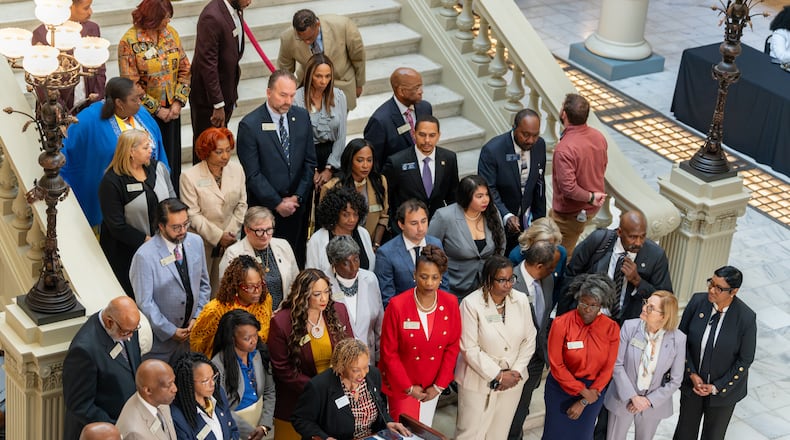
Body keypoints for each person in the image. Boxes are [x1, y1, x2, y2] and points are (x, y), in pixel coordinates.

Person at [61, 76, 168, 228]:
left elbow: (158, 146)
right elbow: (66, 149)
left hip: (148, 190)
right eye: (134, 99)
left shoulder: (141, 114)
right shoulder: (87, 120)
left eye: (139, 98)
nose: (139, 102)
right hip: (116, 196)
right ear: (119, 103)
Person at [237, 70, 317, 267]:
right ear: (268, 92)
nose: (288, 101)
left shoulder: (302, 117)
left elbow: (309, 162)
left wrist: (297, 197)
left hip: (297, 209)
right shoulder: (250, 125)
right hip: (265, 212)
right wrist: (278, 203)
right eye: (283, 95)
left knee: (295, 260)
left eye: (292, 95)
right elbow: (253, 174)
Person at [455, 255, 537, 440]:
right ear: (488, 280)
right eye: (502, 280)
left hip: (513, 381)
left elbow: (530, 338)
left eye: (511, 279)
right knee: (470, 433)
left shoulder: (521, 299)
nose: (508, 285)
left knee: (498, 433)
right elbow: (469, 348)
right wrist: (498, 375)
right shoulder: (471, 303)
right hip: (478, 379)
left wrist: (514, 372)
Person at [267, 269, 354, 439]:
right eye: (317, 294)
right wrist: (319, 389)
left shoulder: (339, 310)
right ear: (303, 294)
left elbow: (350, 350)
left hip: (334, 399)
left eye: (327, 292)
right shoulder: (282, 322)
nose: (324, 298)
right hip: (297, 402)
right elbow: (283, 369)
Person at [379, 245, 461, 426]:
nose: (429, 283)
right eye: (424, 277)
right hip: (403, 387)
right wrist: (408, 388)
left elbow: (452, 346)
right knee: (404, 434)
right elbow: (389, 352)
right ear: (414, 274)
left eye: (435, 278)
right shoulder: (397, 305)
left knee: (425, 429)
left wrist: (439, 385)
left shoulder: (450, 303)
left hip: (432, 387)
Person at [673, 266, 756, 440]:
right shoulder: (697, 302)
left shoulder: (746, 318)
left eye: (719, 288)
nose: (711, 290)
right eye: (711, 283)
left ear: (734, 291)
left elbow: (745, 359)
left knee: (714, 436)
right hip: (692, 387)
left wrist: (716, 387)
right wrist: (692, 373)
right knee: (684, 433)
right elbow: (681, 341)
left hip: (724, 392)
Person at [118, 0, 191, 192]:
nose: (168, 21)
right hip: (146, 114)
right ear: (152, 18)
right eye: (165, 17)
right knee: (149, 159)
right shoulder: (129, 41)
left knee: (172, 160)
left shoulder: (171, 34)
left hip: (172, 112)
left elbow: (185, 69)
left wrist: (177, 102)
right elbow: (131, 84)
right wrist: (157, 110)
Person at [130, 198, 211, 362]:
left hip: (191, 338)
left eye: (185, 224)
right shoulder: (144, 256)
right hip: (160, 346)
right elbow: (145, 302)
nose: (182, 231)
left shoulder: (196, 242)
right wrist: (170, 331)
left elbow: (203, 285)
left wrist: (197, 316)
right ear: (161, 226)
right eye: (176, 227)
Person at [99, 129, 175, 298]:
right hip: (126, 254)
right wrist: (149, 242)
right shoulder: (111, 182)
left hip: (163, 247)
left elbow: (172, 201)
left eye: (150, 146)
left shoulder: (159, 168)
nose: (151, 150)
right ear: (131, 152)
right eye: (146, 147)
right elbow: (116, 226)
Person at [542, 273, 620, 440]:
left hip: (593, 392)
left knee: (582, 436)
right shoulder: (561, 323)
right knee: (554, 435)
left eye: (593, 305)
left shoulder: (611, 328)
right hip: (560, 389)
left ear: (601, 305)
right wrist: (582, 391)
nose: (587, 309)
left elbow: (608, 367)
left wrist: (586, 398)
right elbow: (556, 365)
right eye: (583, 302)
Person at [559, 211, 673, 323]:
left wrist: (638, 281)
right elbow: (570, 276)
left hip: (625, 326)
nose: (638, 243)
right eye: (633, 237)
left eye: (642, 236)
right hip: (589, 318)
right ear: (619, 232)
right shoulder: (598, 240)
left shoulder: (656, 255)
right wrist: (561, 320)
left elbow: (666, 300)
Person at [603, 291, 685, 440]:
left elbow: (676, 380)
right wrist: (633, 397)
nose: (644, 307)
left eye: (651, 307)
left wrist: (647, 401)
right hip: (623, 398)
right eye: (646, 303)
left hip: (653, 404)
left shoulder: (678, 339)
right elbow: (617, 364)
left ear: (664, 316)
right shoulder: (629, 327)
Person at [292, 338, 411, 440]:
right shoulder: (319, 386)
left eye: (365, 367)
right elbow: (300, 419)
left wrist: (388, 422)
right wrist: (324, 438)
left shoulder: (374, 374)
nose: (363, 374)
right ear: (341, 367)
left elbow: (381, 406)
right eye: (356, 370)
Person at [63, 296, 142, 440]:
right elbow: (80, 405)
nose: (131, 336)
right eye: (126, 332)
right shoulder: (83, 350)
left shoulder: (127, 326)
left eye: (134, 330)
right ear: (109, 322)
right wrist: (115, 428)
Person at [180, 127, 247, 293]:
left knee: (226, 289)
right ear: (206, 152)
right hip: (203, 244)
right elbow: (192, 213)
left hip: (230, 242)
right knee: (201, 291)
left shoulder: (237, 169)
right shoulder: (189, 177)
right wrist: (218, 236)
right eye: (219, 152)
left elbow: (242, 204)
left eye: (228, 150)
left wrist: (230, 234)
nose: (225, 156)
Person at [508, 240, 559, 440]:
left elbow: (544, 318)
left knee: (521, 410)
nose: (555, 271)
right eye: (552, 267)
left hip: (536, 359)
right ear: (539, 266)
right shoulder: (508, 280)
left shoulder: (547, 280)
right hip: (513, 360)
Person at [189, 0, 252, 162]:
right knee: (206, 147)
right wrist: (218, 104)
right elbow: (207, 65)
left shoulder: (236, 8)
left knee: (219, 146)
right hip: (209, 101)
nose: (250, 2)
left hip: (227, 92)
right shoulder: (211, 17)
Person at [479, 108, 547, 252]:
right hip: (498, 223)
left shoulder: (540, 145)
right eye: (525, 135)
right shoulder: (492, 150)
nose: (531, 140)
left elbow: (539, 183)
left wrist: (540, 221)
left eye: (535, 135)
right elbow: (488, 188)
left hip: (527, 223)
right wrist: (506, 215)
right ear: (514, 128)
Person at [428, 175, 506, 300]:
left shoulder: (492, 212)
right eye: (479, 196)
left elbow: (501, 245)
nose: (485, 200)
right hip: (453, 288)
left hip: (485, 287)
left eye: (487, 195)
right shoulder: (444, 216)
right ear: (466, 197)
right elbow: (430, 250)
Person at [550, 93, 608, 258]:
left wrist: (590, 197)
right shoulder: (598, 137)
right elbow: (603, 166)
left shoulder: (564, 149)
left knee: (558, 255)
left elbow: (568, 188)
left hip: (570, 213)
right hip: (589, 209)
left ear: (564, 114)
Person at [277, 9, 365, 111]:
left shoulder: (343, 26)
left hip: (340, 84)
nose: (307, 42)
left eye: (310, 37)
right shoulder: (287, 38)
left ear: (317, 24)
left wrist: (359, 84)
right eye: (302, 39)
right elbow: (285, 70)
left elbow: (358, 57)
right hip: (309, 89)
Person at [31, 0, 106, 114]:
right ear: (69, 7)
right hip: (57, 109)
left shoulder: (92, 28)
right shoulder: (43, 34)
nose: (90, 12)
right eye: (86, 8)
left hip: (88, 105)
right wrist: (61, 112)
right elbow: (42, 80)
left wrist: (95, 104)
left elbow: (100, 69)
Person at [191, 255, 273, 358]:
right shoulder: (215, 310)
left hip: (256, 362)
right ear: (236, 286)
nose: (257, 291)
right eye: (250, 287)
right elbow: (197, 344)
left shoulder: (265, 300)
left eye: (260, 284)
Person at [211, 309, 276, 440]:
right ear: (231, 338)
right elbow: (220, 406)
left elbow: (269, 391)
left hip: (262, 427)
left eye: (255, 335)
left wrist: (264, 425)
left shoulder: (260, 354)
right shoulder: (217, 365)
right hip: (236, 429)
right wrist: (250, 432)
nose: (253, 341)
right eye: (247, 338)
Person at [383, 115, 459, 223]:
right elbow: (387, 199)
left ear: (438, 136)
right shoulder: (397, 162)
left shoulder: (449, 158)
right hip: (407, 227)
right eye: (422, 135)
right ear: (414, 134)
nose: (427, 140)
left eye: (432, 135)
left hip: (438, 226)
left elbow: (453, 197)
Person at [220, 207, 299, 309]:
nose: (265, 236)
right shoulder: (233, 253)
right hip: (249, 316)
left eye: (269, 230)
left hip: (281, 314)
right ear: (247, 230)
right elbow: (228, 292)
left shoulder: (283, 245)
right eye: (259, 231)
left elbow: (295, 282)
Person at [375, 199, 449, 308]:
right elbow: (387, 297)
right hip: (404, 315)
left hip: (434, 311)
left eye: (424, 221)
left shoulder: (436, 243)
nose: (420, 228)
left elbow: (444, 282)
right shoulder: (386, 253)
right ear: (401, 224)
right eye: (414, 223)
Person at [325, 235, 384, 362]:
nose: (354, 267)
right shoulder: (324, 283)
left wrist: (381, 358)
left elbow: (380, 325)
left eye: (356, 259)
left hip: (368, 360)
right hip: (338, 361)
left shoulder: (370, 279)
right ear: (334, 263)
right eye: (346, 263)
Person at [321, 138, 389, 246]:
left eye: (369, 160)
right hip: (341, 247)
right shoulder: (333, 187)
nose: (365, 165)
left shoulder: (380, 182)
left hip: (370, 245)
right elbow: (327, 223)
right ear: (350, 160)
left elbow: (383, 217)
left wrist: (376, 244)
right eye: (360, 160)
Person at [293, 53, 347, 185]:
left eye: (328, 76)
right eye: (318, 76)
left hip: (333, 155)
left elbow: (341, 135)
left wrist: (330, 168)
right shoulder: (296, 99)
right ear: (309, 75)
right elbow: (297, 138)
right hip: (306, 156)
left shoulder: (339, 96)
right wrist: (312, 169)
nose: (324, 81)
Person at [364, 67, 433, 171]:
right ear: (401, 91)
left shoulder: (425, 108)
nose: (421, 91)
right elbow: (374, 163)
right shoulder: (380, 121)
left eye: (421, 86)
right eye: (416, 88)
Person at [306, 185, 376, 274]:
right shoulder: (317, 239)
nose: (352, 219)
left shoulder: (363, 233)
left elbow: (370, 268)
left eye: (356, 214)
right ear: (335, 213)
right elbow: (312, 274)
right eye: (346, 215)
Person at [170, 351, 239, 439]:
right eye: (205, 381)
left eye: (214, 377)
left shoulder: (218, 393)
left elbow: (233, 429)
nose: (212, 384)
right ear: (189, 383)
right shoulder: (178, 417)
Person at [508, 217, 567, 307]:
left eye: (551, 245)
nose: (547, 249)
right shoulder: (516, 256)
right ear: (531, 240)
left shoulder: (560, 254)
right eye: (542, 244)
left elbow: (558, 285)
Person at [115, 359, 178, 440]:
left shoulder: (159, 398)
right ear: (148, 390)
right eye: (168, 385)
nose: (175, 389)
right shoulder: (135, 432)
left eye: (173, 381)